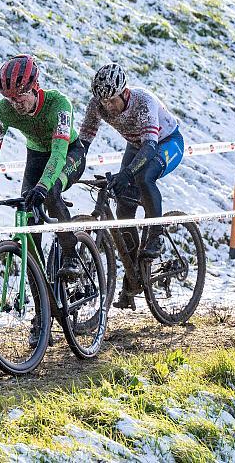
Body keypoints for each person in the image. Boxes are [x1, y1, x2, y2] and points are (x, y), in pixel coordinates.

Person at [0, 54, 87, 280]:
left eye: (20, 97)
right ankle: (43, 303)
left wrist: (44, 186)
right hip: (36, 155)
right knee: (28, 215)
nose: (15, 105)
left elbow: (58, 154)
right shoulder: (2, 111)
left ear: (34, 88)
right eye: (10, 99)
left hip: (69, 152)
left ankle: (71, 255)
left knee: (51, 191)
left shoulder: (60, 105)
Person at [79, 63, 185, 308]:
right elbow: (84, 139)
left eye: (112, 101)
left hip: (166, 142)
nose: (108, 107)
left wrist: (126, 174)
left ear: (125, 93)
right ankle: (134, 276)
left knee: (143, 177)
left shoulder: (143, 101)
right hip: (137, 145)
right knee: (124, 210)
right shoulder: (97, 104)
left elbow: (149, 148)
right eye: (102, 102)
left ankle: (156, 235)